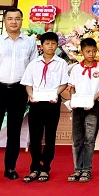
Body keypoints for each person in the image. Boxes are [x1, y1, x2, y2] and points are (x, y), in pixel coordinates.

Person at [0, 8, 38, 184]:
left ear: (22, 21)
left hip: (19, 90)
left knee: (14, 131)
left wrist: (30, 91)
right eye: (10, 19)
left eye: (17, 18)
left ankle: (9, 168)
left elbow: (33, 69)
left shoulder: (30, 42)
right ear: (4, 21)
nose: (14, 22)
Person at [20, 32, 68, 183]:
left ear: (57, 45)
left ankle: (45, 167)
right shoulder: (34, 64)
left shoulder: (61, 63)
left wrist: (56, 94)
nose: (50, 46)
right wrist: (30, 95)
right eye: (47, 43)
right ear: (41, 45)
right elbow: (28, 83)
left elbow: (64, 83)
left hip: (52, 103)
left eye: (53, 43)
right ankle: (34, 167)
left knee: (50, 136)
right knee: (35, 136)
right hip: (36, 103)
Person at [67, 38, 99, 183]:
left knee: (89, 139)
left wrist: (93, 99)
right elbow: (71, 87)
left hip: (92, 106)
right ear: (82, 52)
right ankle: (77, 169)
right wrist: (73, 99)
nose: (91, 54)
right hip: (77, 106)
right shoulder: (76, 68)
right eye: (88, 51)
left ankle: (87, 169)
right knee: (77, 139)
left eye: (94, 51)